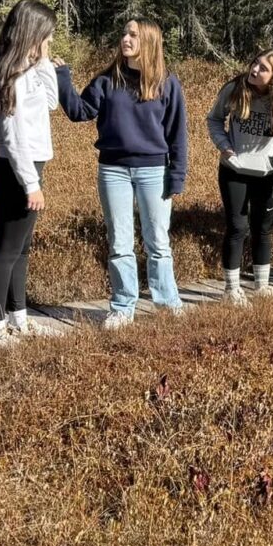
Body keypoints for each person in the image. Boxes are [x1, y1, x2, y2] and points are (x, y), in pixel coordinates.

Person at [58, 19, 189, 328]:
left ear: (148, 41)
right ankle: (122, 307)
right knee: (119, 242)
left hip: (155, 171)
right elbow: (79, 111)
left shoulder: (167, 83)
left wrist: (178, 175)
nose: (125, 38)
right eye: (125, 33)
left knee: (157, 241)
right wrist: (63, 78)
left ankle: (168, 303)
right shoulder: (107, 80)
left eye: (133, 34)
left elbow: (178, 134)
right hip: (113, 169)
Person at [0, 0, 62, 346]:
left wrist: (44, 62)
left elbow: (52, 102)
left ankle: (19, 318)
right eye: (47, 36)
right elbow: (14, 138)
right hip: (15, 169)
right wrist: (31, 184)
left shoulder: (27, 69)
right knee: (8, 249)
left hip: (26, 166)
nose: (50, 41)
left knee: (22, 248)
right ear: (33, 32)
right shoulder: (10, 75)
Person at [207, 49, 273, 305]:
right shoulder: (235, 89)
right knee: (237, 227)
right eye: (255, 63)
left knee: (263, 229)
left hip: (268, 174)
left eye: (263, 68)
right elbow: (214, 119)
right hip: (234, 171)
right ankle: (232, 290)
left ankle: (261, 285)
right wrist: (224, 145)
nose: (254, 70)